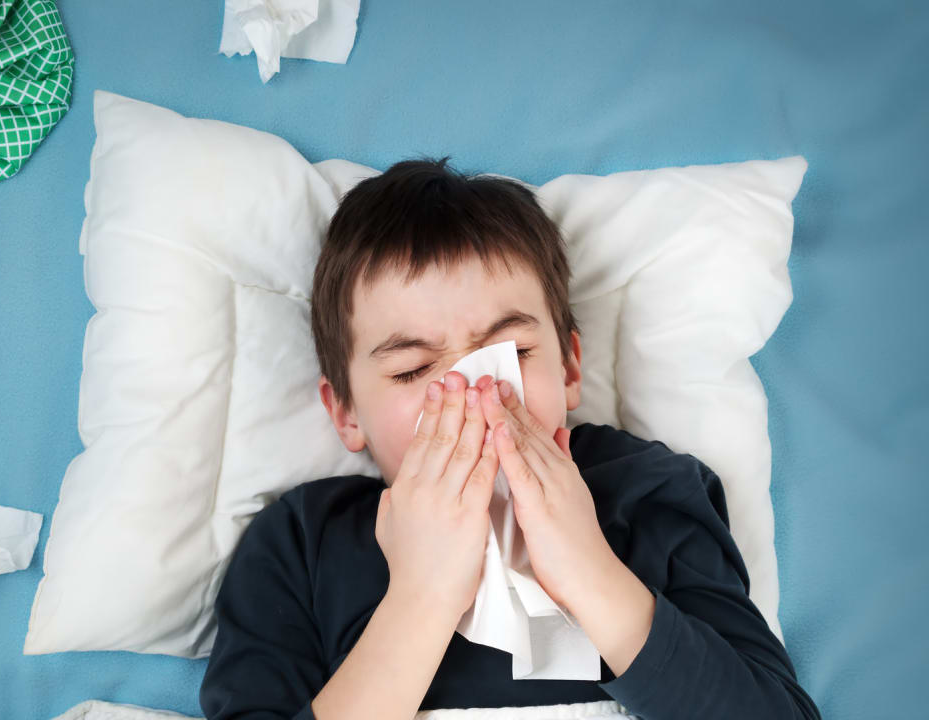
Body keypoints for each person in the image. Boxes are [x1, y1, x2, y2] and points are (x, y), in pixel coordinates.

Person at [199, 159, 820, 720]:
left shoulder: (649, 491)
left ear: (570, 369)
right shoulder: (301, 545)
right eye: (413, 370)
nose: (476, 393)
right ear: (347, 413)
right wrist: (424, 595)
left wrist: (589, 571)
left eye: (513, 352)